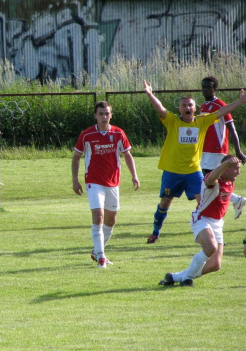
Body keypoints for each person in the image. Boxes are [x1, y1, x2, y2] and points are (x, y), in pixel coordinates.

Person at [144, 80, 246, 243]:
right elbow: (160, 109)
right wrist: (150, 94)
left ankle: (213, 235)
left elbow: (222, 112)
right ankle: (155, 232)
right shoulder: (173, 121)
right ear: (179, 109)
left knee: (205, 201)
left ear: (195, 108)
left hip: (193, 171)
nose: (187, 108)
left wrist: (240, 102)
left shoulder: (202, 121)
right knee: (165, 202)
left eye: (190, 105)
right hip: (172, 170)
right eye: (184, 105)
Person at [72, 101, 140, 268]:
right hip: (94, 182)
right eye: (101, 114)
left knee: (111, 220)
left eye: (107, 113)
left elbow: (127, 155)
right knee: (98, 217)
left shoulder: (118, 133)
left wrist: (134, 175)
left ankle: (96, 251)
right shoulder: (87, 135)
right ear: (95, 115)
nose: (104, 117)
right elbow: (76, 157)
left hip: (113, 183)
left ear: (111, 115)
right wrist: (75, 180)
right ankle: (101, 257)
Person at [159, 155, 241, 287]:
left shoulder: (230, 182)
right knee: (211, 247)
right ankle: (187, 279)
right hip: (202, 219)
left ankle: (175, 277)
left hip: (218, 223)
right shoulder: (213, 180)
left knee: (215, 265)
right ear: (226, 168)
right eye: (236, 169)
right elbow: (211, 179)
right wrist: (225, 164)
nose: (238, 172)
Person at [199, 76, 246, 219]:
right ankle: (236, 200)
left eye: (209, 87)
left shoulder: (220, 105)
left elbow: (232, 128)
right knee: (208, 181)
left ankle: (232, 203)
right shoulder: (203, 106)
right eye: (204, 87)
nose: (206, 90)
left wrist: (238, 150)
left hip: (217, 150)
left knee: (212, 181)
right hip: (205, 150)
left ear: (215, 89)